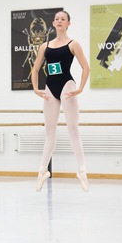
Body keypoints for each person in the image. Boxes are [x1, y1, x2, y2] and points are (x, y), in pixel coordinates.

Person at [32, 10, 90, 192]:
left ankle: (82, 170)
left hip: (67, 86)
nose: (59, 21)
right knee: (50, 132)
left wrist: (80, 88)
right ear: (53, 23)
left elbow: (86, 67)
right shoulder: (45, 46)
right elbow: (35, 69)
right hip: (50, 88)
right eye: (57, 19)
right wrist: (35, 88)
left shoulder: (73, 44)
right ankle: (42, 171)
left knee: (73, 129)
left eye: (63, 19)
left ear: (68, 24)